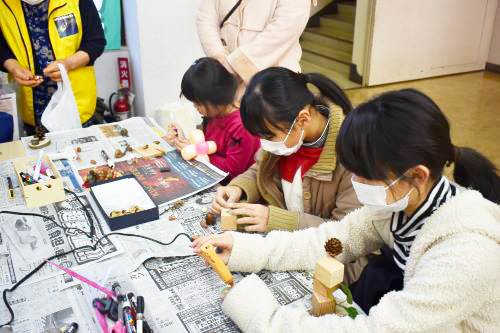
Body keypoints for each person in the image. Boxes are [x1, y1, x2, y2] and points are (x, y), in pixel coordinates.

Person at [192, 89, 500, 332]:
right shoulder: (401, 203)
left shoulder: (467, 252)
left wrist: (266, 320)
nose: (355, 182)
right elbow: (332, 241)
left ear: (417, 175)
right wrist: (247, 249)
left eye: (365, 175)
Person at [211, 67, 360, 233]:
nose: (264, 144)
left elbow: (347, 233)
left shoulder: (352, 154)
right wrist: (238, 188)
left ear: (303, 119)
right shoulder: (286, 134)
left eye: (269, 137)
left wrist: (279, 221)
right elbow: (260, 170)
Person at [0, 0, 106, 134]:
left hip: (76, 103)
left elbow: (95, 42)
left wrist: (68, 64)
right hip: (31, 105)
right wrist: (14, 67)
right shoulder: (4, 5)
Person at [166, 57, 260, 183]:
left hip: (232, 185)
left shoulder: (241, 126)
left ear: (216, 97)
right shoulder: (213, 116)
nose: (195, 107)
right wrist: (184, 141)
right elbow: (206, 146)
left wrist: (195, 152)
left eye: (198, 103)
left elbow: (232, 172)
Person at [196, 0, 313, 98]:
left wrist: (235, 63)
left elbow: (286, 27)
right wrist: (219, 56)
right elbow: (206, 18)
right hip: (228, 82)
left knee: (271, 122)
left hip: (274, 82)